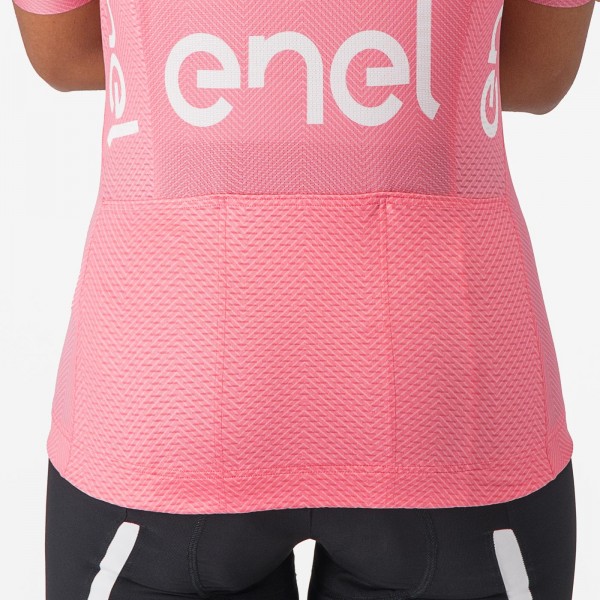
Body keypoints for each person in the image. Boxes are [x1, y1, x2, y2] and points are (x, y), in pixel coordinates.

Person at [12, 0, 596, 598]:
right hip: (445, 386)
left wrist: (240, 79)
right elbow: (538, 69)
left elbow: (64, 53)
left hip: (164, 391)